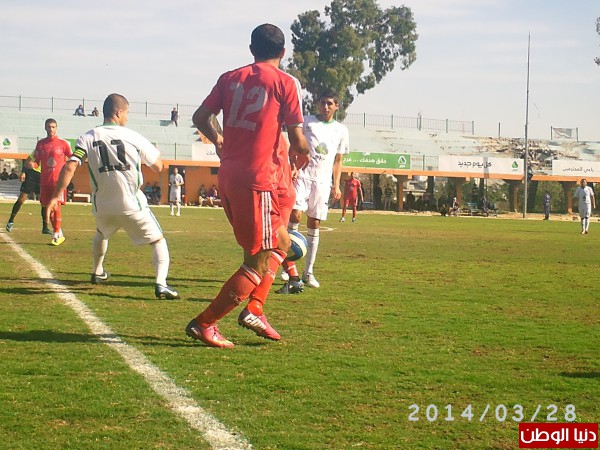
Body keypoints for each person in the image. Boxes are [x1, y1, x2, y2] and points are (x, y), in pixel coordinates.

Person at [186, 23, 310, 348]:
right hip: (257, 180)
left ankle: (255, 308)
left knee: (280, 243)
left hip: (228, 175)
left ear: (252, 50)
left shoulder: (229, 78)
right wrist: (305, 152)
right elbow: (297, 138)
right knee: (257, 261)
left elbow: (200, 117)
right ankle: (205, 323)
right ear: (283, 52)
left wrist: (218, 140)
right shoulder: (285, 82)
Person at [47, 93, 179, 300]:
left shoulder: (88, 137)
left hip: (103, 206)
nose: (127, 117)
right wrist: (154, 153)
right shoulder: (133, 136)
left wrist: (56, 196)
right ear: (118, 113)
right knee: (158, 241)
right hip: (132, 204)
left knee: (101, 233)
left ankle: (97, 271)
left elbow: (71, 166)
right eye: (126, 113)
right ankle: (161, 283)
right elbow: (158, 166)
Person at [278, 89, 348, 294]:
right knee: (294, 214)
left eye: (329, 103)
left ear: (336, 106)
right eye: (323, 103)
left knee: (314, 222)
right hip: (302, 175)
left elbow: (338, 160)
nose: (325, 107)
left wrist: (336, 185)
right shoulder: (307, 121)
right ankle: (288, 267)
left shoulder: (341, 130)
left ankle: (308, 272)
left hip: (323, 181)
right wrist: (292, 166)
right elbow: (294, 146)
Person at [34, 118, 73, 246]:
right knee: (48, 208)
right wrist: (31, 165)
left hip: (58, 182)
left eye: (53, 127)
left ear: (56, 128)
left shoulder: (63, 143)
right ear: (45, 128)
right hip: (45, 181)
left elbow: (72, 159)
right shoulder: (40, 144)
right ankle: (59, 232)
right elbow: (36, 162)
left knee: (56, 206)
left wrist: (67, 175)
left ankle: (56, 234)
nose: (51, 129)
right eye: (49, 127)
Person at [5, 156, 50, 234]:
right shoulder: (38, 149)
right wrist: (23, 172)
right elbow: (27, 161)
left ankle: (45, 227)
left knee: (44, 202)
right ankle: (11, 221)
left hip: (44, 176)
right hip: (32, 174)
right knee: (21, 199)